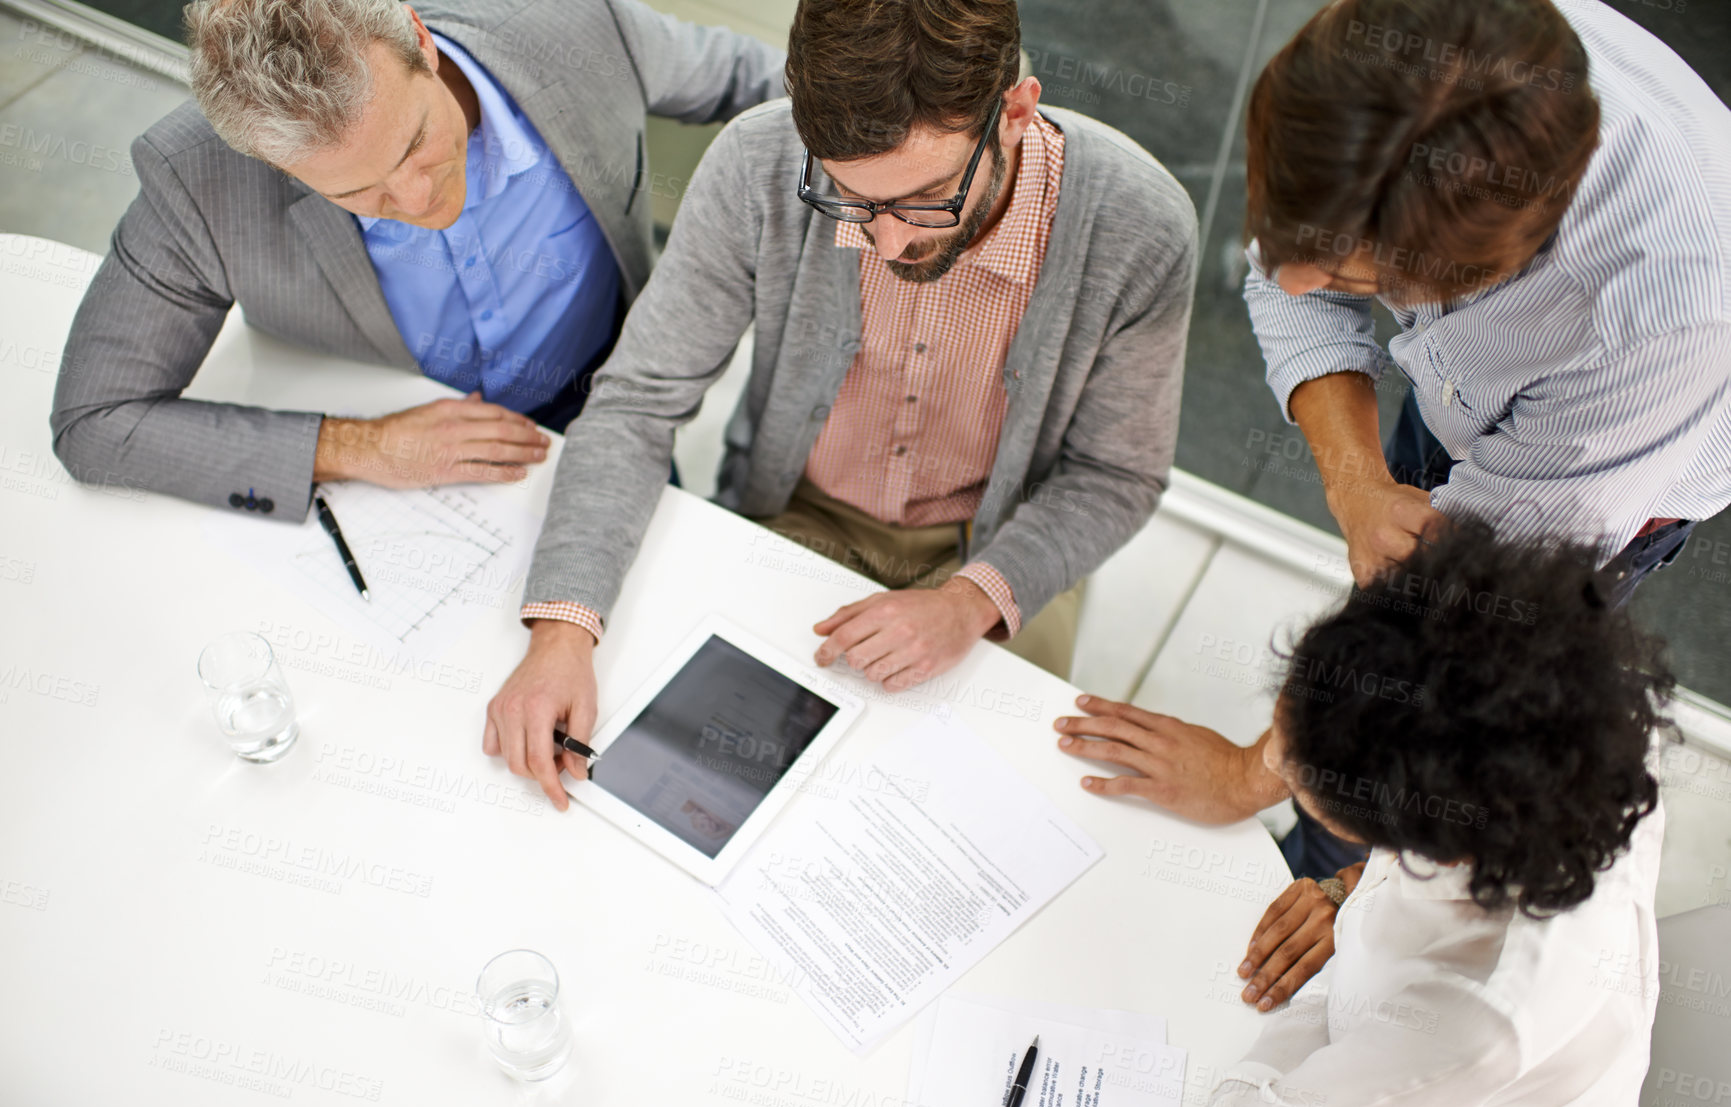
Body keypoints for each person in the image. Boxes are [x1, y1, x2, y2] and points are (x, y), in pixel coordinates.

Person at [483, 0, 1197, 810]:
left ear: (1016, 112)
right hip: (796, 509)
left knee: (967, 813)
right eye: (849, 199)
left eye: (923, 200)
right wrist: (561, 632)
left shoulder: (1140, 225)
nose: (884, 243)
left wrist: (968, 604)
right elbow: (638, 401)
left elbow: (1116, 475)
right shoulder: (758, 161)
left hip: (999, 545)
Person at [1239, 0, 1731, 878]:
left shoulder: (1660, 314)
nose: (1286, 276)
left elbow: (1433, 617)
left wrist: (1248, 773)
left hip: (1606, 457)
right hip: (1472, 380)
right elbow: (1286, 274)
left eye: (1353, 275)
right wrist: (1357, 486)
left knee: (1429, 721)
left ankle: (1335, 885)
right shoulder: (1387, 56)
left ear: (1491, 261)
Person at [1062, 520, 1669, 1107]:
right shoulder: (1586, 722)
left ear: (1416, 830)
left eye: (1296, 770)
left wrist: (1350, 941)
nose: (1268, 764)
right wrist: (1352, 892)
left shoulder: (1477, 1016)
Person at [49, 0, 783, 521]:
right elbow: (95, 421)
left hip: (613, 417)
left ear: (419, 43)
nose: (416, 195)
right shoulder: (200, 178)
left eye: (412, 143)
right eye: (356, 190)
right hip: (400, 480)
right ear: (270, 161)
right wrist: (361, 446)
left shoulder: (571, 22)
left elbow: (776, 86)